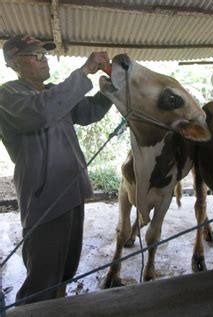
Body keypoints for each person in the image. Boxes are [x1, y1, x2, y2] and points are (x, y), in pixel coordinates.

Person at [0, 34, 112, 305]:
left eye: (44, 54)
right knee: (42, 279)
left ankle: (58, 305)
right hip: (45, 197)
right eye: (36, 55)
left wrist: (110, 89)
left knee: (65, 270)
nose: (44, 59)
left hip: (73, 191)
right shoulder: (8, 96)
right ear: (14, 63)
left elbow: (88, 113)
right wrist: (84, 71)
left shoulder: (52, 92)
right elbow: (41, 112)